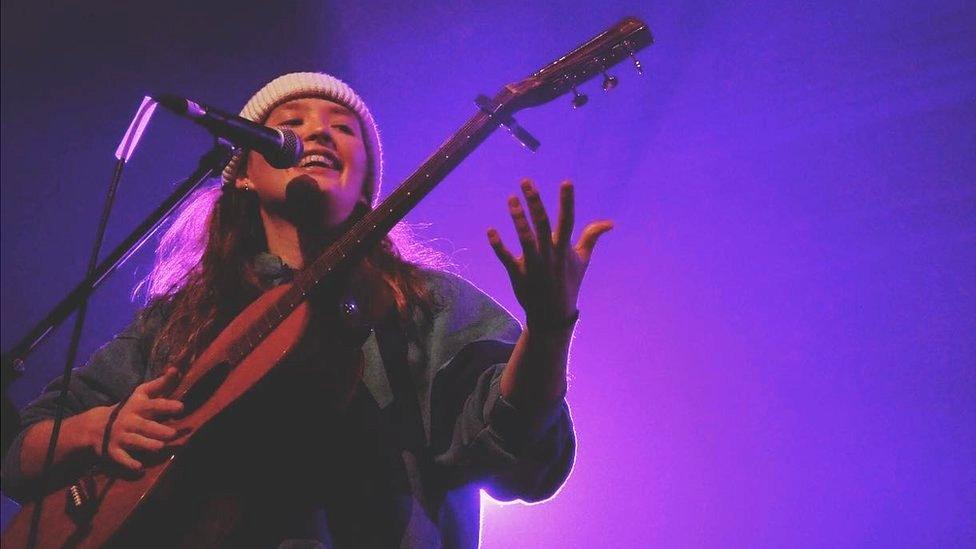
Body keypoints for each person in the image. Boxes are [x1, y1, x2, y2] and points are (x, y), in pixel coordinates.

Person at [1, 72, 613, 547]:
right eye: (289, 122)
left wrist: (551, 326)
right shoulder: (178, 320)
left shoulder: (423, 303)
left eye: (342, 127)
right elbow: (21, 450)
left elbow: (519, 456)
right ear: (239, 171)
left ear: (368, 184)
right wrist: (97, 429)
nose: (317, 132)